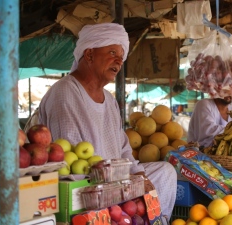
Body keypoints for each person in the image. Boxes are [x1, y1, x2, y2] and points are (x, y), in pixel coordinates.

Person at [37, 23, 177, 219]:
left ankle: (155, 221)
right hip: (87, 186)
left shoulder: (109, 100)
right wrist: (118, 185)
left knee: (165, 172)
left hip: (116, 182)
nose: (119, 61)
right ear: (89, 54)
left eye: (121, 56)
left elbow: (123, 148)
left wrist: (139, 175)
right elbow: (70, 162)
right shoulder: (66, 92)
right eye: (112, 52)